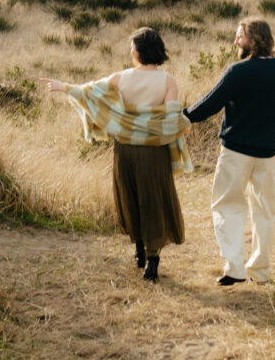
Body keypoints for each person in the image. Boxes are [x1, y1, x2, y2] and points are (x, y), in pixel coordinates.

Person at [42, 27, 192, 282]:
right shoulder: (168, 81)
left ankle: (139, 251)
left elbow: (88, 93)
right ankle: (152, 259)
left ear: (138, 50)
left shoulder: (120, 78)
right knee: (153, 199)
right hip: (154, 152)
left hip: (126, 149)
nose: (130, 50)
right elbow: (170, 122)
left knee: (130, 196)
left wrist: (64, 87)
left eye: (132, 46)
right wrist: (184, 125)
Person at [183, 18, 275, 287]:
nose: (236, 41)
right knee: (265, 212)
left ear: (253, 40)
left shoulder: (237, 71)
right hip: (268, 155)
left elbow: (211, 103)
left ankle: (234, 266)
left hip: (235, 153)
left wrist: (185, 116)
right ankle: (260, 270)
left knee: (227, 206)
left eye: (240, 37)